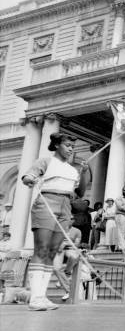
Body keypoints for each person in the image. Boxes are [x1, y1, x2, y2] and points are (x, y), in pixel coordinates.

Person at [21, 132, 89, 311]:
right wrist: (30, 179)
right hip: (47, 202)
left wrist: (85, 172)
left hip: (66, 205)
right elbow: (28, 176)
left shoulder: (73, 170)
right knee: (42, 248)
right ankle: (35, 298)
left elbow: (80, 193)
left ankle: (42, 296)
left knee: (52, 252)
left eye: (73, 146)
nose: (71, 149)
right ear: (57, 145)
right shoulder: (45, 161)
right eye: (68, 145)